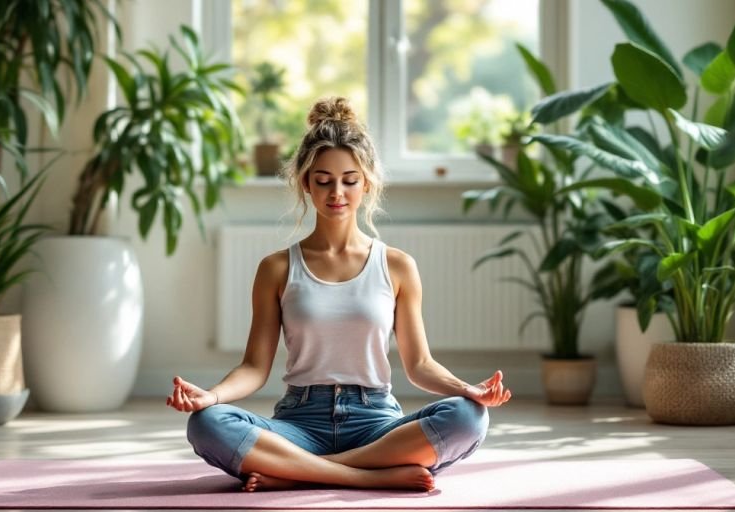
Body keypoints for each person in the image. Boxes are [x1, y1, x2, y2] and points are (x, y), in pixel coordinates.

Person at [167, 96, 511, 493]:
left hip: (377, 423)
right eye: (323, 180)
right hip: (299, 423)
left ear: (366, 183)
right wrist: (210, 396)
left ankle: (298, 472)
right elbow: (254, 368)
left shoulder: (397, 266)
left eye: (350, 179)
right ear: (305, 184)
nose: (337, 192)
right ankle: (367, 476)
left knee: (470, 417)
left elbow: (419, 365)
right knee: (207, 423)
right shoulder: (276, 268)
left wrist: (467, 390)